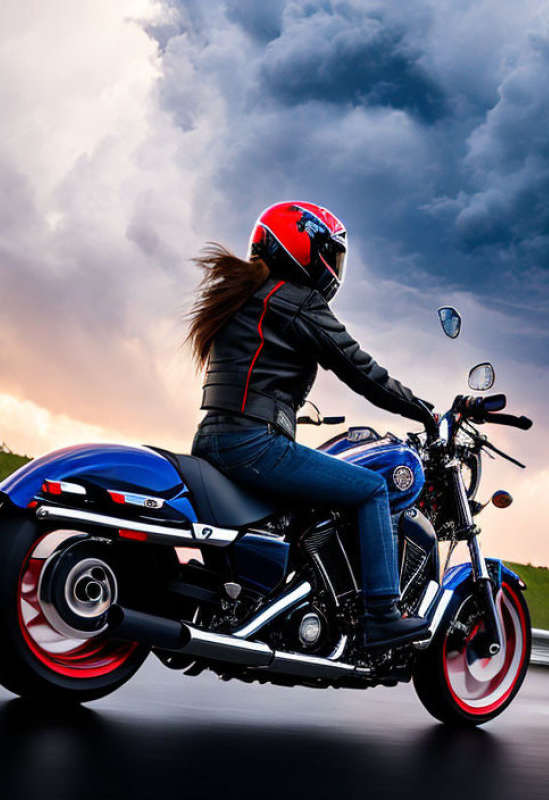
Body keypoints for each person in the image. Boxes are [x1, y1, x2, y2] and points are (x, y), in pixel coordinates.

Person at [186, 201, 435, 648]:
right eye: (330, 253)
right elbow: (361, 370)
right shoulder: (296, 302)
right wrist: (422, 410)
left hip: (212, 439)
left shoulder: (244, 296)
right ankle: (381, 614)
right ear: (303, 247)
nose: (334, 266)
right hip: (255, 444)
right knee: (372, 488)